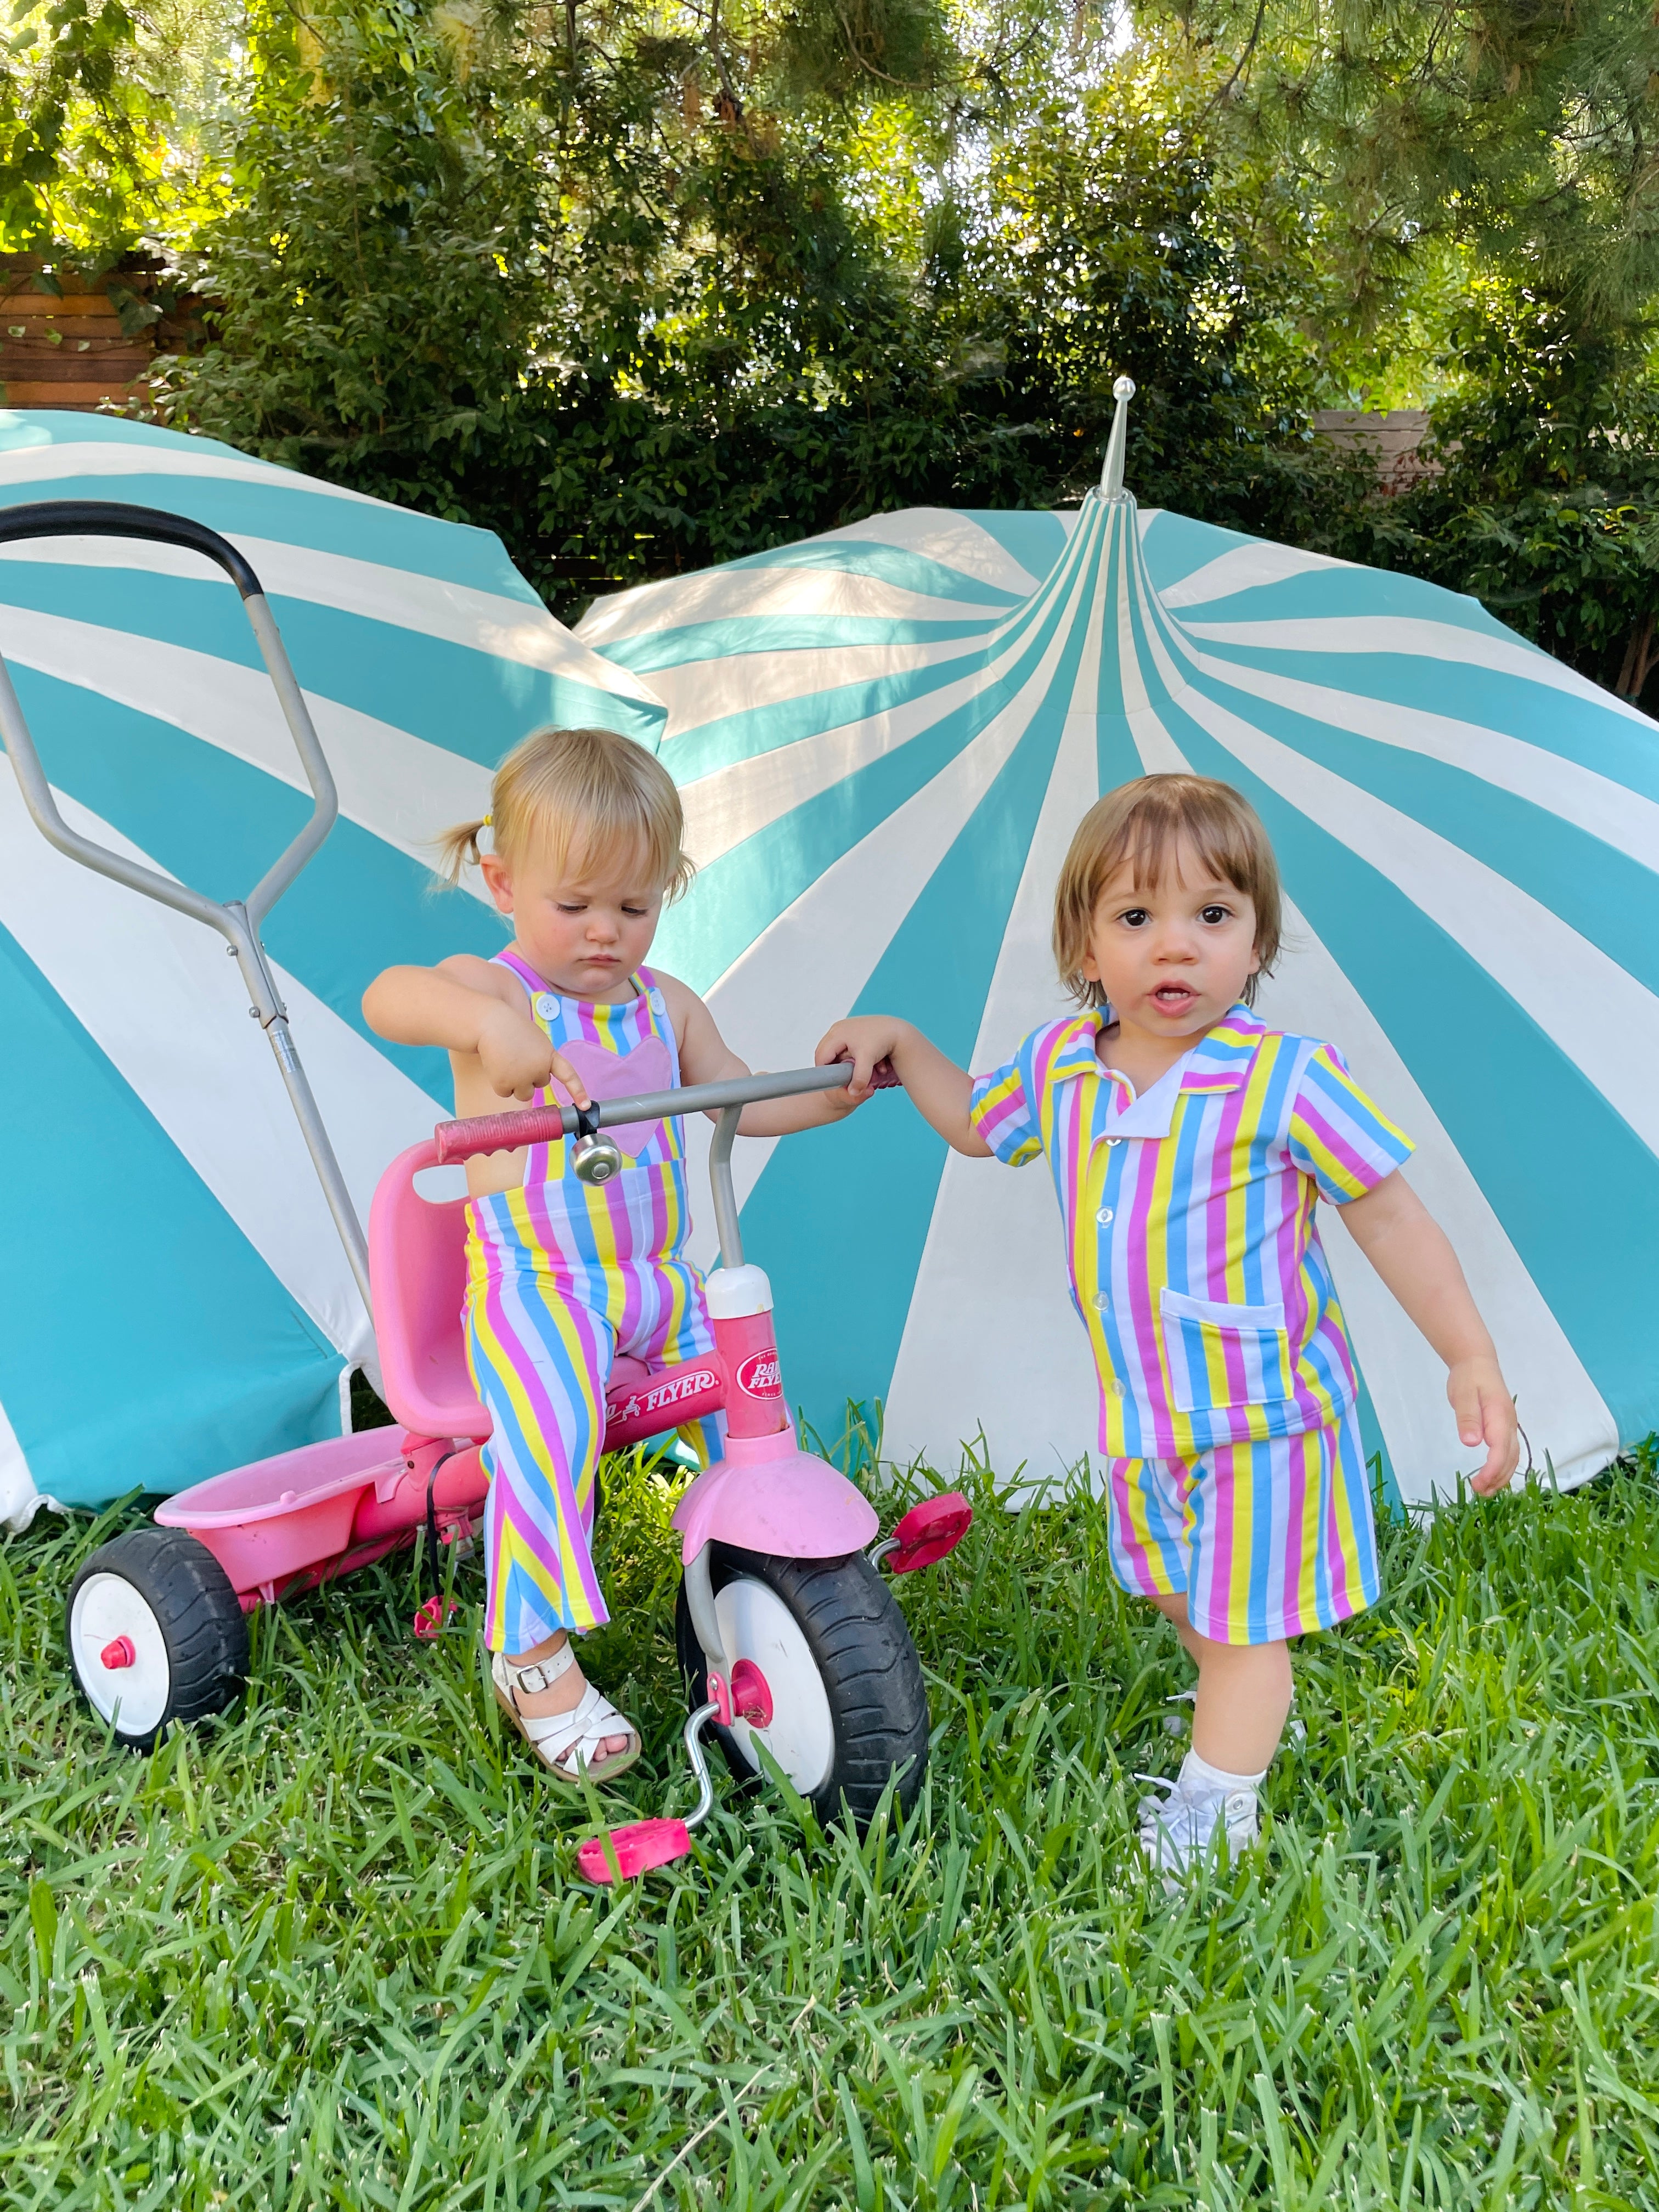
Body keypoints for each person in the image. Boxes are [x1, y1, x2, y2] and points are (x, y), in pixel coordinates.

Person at [817, 772, 1518, 1876]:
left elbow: (1389, 1215)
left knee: (1241, 1635)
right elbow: (972, 1125)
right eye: (1137, 919)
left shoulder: (1286, 1079)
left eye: (1213, 916)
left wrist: (1469, 1352)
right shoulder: (1063, 1066)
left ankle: (1215, 1813)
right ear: (1087, 949)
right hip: (1143, 1418)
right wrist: (904, 1043)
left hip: (1266, 1421)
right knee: (1167, 1585)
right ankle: (1241, 1690)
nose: (1176, 947)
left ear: (1257, 943)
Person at [364, 725, 862, 1786]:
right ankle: (529, 1651)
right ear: (502, 884)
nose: (605, 933)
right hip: (540, 1287)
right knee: (558, 1424)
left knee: (748, 1377)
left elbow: (740, 1095)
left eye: (633, 908)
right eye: (575, 905)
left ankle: (762, 1559)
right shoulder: (495, 991)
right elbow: (393, 996)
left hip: (655, 1279)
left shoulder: (665, 1006)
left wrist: (837, 1088)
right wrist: (486, 1033)